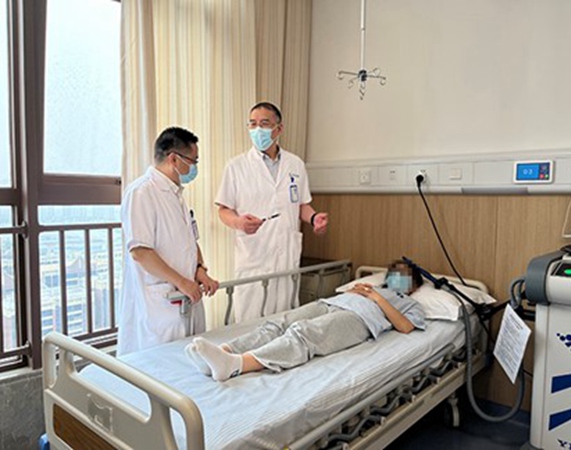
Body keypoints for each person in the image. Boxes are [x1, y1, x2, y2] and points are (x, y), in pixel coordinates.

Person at [185, 262, 426, 381]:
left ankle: (236, 364)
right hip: (333, 303)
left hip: (360, 319)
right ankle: (223, 352)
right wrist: (356, 291)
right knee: (280, 323)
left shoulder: (409, 302)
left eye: (403, 275)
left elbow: (405, 327)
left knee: (304, 333)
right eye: (394, 273)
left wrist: (376, 298)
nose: (396, 277)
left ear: (413, 285)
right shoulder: (371, 285)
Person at [215, 101, 328, 323]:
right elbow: (223, 209)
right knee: (250, 323)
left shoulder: (295, 164)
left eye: (264, 124)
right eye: (252, 124)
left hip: (286, 256)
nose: (257, 129)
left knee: (285, 320)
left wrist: (314, 218)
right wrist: (239, 223)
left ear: (279, 128)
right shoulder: (236, 166)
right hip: (254, 256)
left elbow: (301, 205)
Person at [117, 127, 219, 355]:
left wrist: (200, 271)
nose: (194, 167)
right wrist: (182, 282)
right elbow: (140, 252)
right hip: (159, 305)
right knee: (157, 365)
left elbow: (191, 242)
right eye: (193, 161)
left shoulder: (176, 195)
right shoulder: (141, 192)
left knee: (188, 360)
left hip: (183, 297)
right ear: (174, 159)